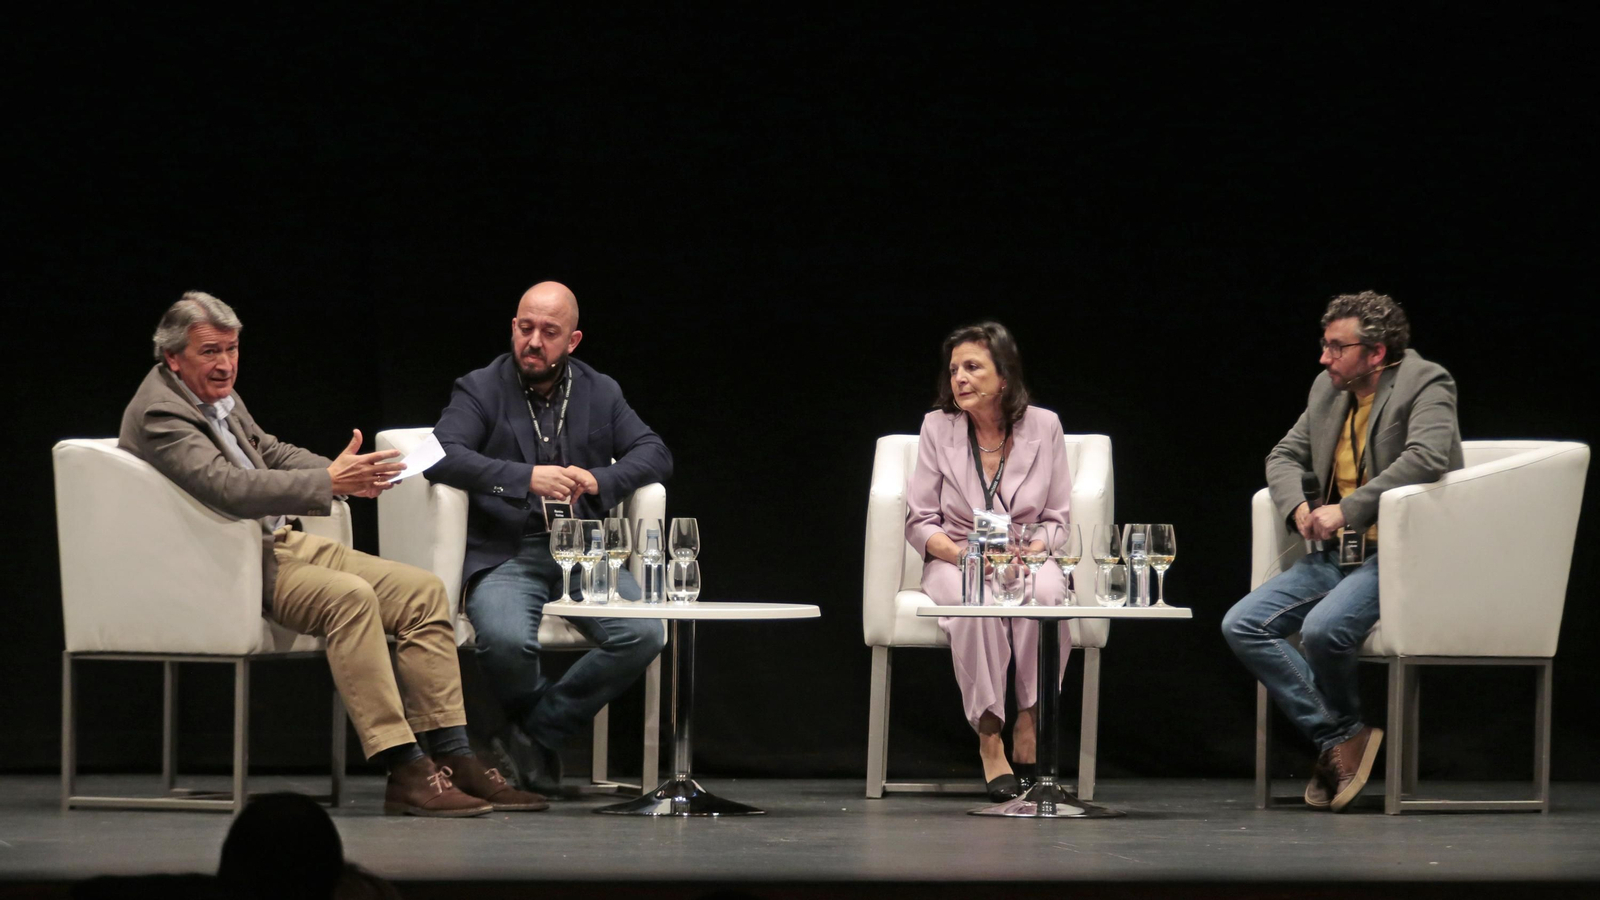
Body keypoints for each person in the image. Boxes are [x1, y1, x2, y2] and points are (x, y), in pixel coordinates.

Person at [119, 292, 547, 817]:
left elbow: (268, 451)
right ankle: (405, 768)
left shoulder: (215, 397)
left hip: (279, 545)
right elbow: (226, 486)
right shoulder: (162, 411)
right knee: (351, 598)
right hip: (227, 563)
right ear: (173, 357)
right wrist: (326, 481)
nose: (226, 363)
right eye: (210, 351)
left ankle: (453, 754)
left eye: (232, 349)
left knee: (422, 592)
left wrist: (348, 475)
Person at [1222, 290, 1463, 812]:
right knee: (1242, 624)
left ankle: (1340, 744)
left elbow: (1427, 456)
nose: (1324, 358)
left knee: (1324, 629)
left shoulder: (1426, 382)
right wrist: (1300, 508)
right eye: (1325, 346)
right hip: (1340, 554)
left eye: (1336, 347)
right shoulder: (1328, 389)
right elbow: (1284, 454)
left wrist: (1347, 508)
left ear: (1375, 353)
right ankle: (1341, 737)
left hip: (1401, 554)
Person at [428, 281, 671, 793]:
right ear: (512, 328)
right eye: (525, 327)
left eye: (549, 332)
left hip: (584, 548)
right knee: (507, 642)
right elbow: (443, 454)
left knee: (646, 632)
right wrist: (525, 478)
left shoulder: (599, 391)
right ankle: (535, 744)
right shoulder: (480, 387)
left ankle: (532, 737)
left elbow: (654, 453)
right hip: (508, 549)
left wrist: (600, 480)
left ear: (573, 341)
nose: (534, 341)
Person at [904, 321, 1073, 801]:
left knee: (1047, 595)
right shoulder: (938, 427)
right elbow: (920, 521)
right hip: (956, 556)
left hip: (1025, 555)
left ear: (1004, 377)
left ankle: (1030, 715)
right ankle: (989, 733)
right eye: (954, 368)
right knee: (973, 602)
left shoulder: (1046, 426)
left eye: (973, 367)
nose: (959, 377)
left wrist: (1025, 553)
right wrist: (965, 556)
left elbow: (1057, 520)